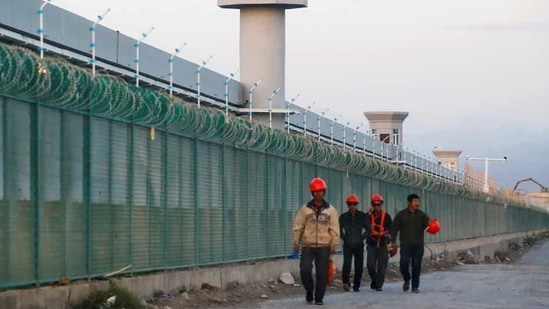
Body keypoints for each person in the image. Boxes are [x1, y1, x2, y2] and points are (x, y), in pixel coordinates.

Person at [293, 177, 340, 305]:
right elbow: (298, 226)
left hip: (324, 245)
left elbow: (334, 228)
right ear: (312, 193)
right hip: (308, 245)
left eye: (320, 191)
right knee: (305, 269)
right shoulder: (305, 209)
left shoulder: (331, 210)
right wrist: (296, 242)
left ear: (324, 192)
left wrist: (333, 243)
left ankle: (319, 298)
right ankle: (309, 290)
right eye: (315, 192)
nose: (318, 194)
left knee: (322, 273)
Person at [390, 193, 432, 293]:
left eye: (418, 201)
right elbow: (394, 228)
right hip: (406, 245)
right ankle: (407, 279)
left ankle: (415, 287)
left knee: (416, 266)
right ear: (409, 203)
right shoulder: (401, 215)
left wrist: (432, 224)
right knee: (403, 263)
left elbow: (429, 226)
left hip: (418, 245)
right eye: (415, 201)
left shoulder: (422, 215)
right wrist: (393, 242)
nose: (417, 203)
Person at [339, 194, 369, 292]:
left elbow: (368, 229)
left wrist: (361, 238)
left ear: (357, 204)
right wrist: (345, 238)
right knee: (347, 264)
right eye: (350, 204)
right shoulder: (343, 217)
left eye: (354, 204)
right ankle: (346, 282)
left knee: (358, 265)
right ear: (347, 205)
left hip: (359, 245)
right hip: (347, 245)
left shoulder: (362, 216)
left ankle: (357, 285)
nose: (352, 206)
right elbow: (339, 230)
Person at [366, 194, 392, 292]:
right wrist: (367, 214)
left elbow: (391, 229)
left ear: (381, 204)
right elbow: (364, 224)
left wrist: (389, 238)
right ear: (372, 205)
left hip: (382, 243)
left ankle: (378, 285)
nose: (376, 206)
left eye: (378, 204)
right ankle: (375, 280)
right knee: (370, 265)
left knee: (382, 266)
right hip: (371, 243)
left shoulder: (386, 216)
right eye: (374, 204)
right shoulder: (368, 216)